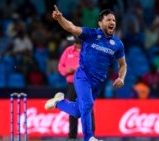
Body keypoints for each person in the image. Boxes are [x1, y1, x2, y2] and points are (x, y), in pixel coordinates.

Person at [45, 5, 127, 141]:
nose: (112, 22)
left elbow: (123, 64)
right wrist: (60, 19)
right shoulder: (90, 34)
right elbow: (71, 27)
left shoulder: (117, 44)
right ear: (100, 23)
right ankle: (89, 138)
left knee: (78, 111)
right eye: (108, 20)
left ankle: (58, 102)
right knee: (87, 105)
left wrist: (122, 77)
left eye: (114, 20)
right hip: (83, 76)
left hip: (98, 83)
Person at [58, 36, 95, 141]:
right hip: (72, 84)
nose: (76, 45)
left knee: (88, 108)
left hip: (85, 84)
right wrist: (66, 70)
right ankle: (72, 136)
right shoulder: (68, 50)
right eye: (75, 43)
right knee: (73, 109)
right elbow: (60, 66)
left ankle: (91, 136)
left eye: (78, 43)